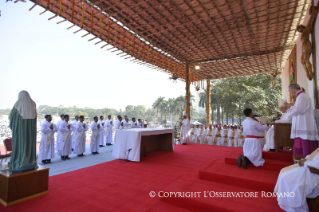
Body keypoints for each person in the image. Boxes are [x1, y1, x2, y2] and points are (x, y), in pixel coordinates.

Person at [285, 84, 319, 160]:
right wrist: (292, 106)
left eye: (289, 90)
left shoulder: (302, 96)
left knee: (304, 142)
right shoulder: (301, 96)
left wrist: (291, 107)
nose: (289, 92)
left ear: (293, 89)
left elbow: (299, 110)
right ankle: (300, 160)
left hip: (303, 124)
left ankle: (304, 160)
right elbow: (299, 108)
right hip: (302, 123)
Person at [9, 90, 38, 171]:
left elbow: (12, 121)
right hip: (31, 131)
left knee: (20, 144)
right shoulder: (33, 105)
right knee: (29, 144)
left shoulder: (17, 106)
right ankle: (30, 161)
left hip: (20, 132)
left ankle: (20, 161)